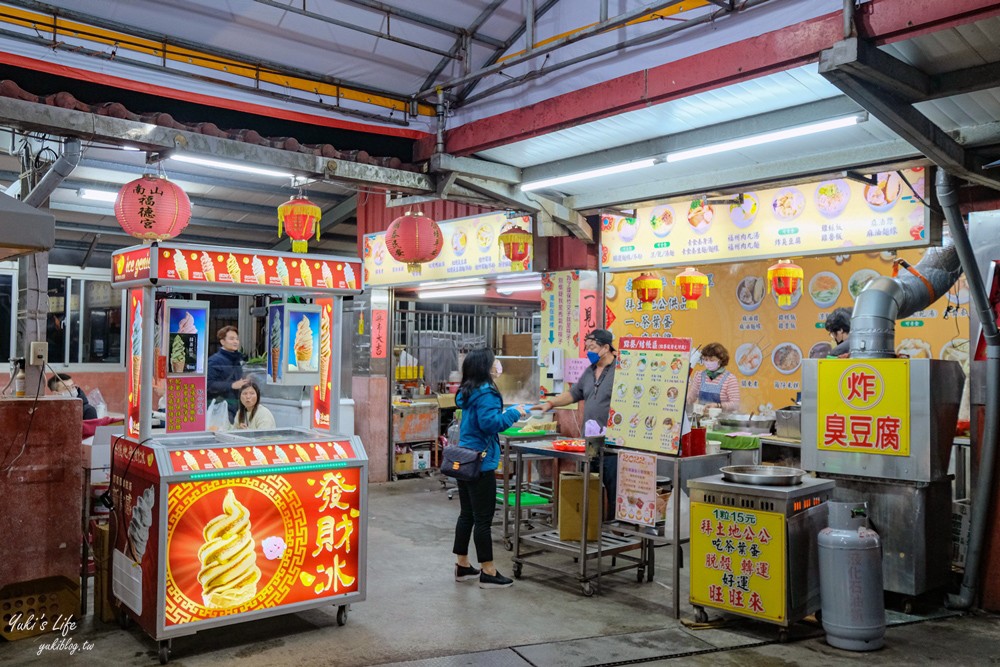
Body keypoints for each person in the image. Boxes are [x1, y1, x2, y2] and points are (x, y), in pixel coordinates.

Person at [452, 348, 527, 589]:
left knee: (467, 515)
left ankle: (462, 565)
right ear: (486, 367)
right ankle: (488, 571)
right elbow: (490, 424)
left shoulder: (468, 391)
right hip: (481, 463)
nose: (498, 365)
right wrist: (515, 412)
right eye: (495, 362)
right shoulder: (487, 394)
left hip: (465, 460)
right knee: (483, 519)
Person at [537, 328, 618, 519]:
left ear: (606, 347)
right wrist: (550, 403)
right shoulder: (589, 372)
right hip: (589, 442)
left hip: (613, 442)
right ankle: (592, 526)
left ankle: (616, 528)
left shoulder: (619, 371)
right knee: (590, 485)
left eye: (592, 346)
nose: (588, 350)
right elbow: (574, 394)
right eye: (586, 346)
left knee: (614, 486)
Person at [207, 325, 247, 422]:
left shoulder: (238, 359)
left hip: (238, 407)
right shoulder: (214, 361)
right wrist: (232, 385)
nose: (235, 342)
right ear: (222, 341)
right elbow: (208, 384)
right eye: (231, 339)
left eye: (237, 339)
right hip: (221, 408)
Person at [686, 342, 740, 413]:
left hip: (721, 420)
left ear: (720, 360)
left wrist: (718, 406)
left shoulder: (730, 379)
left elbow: (735, 404)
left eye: (711, 360)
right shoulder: (699, 376)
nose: (708, 362)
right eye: (705, 359)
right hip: (701, 419)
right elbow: (691, 398)